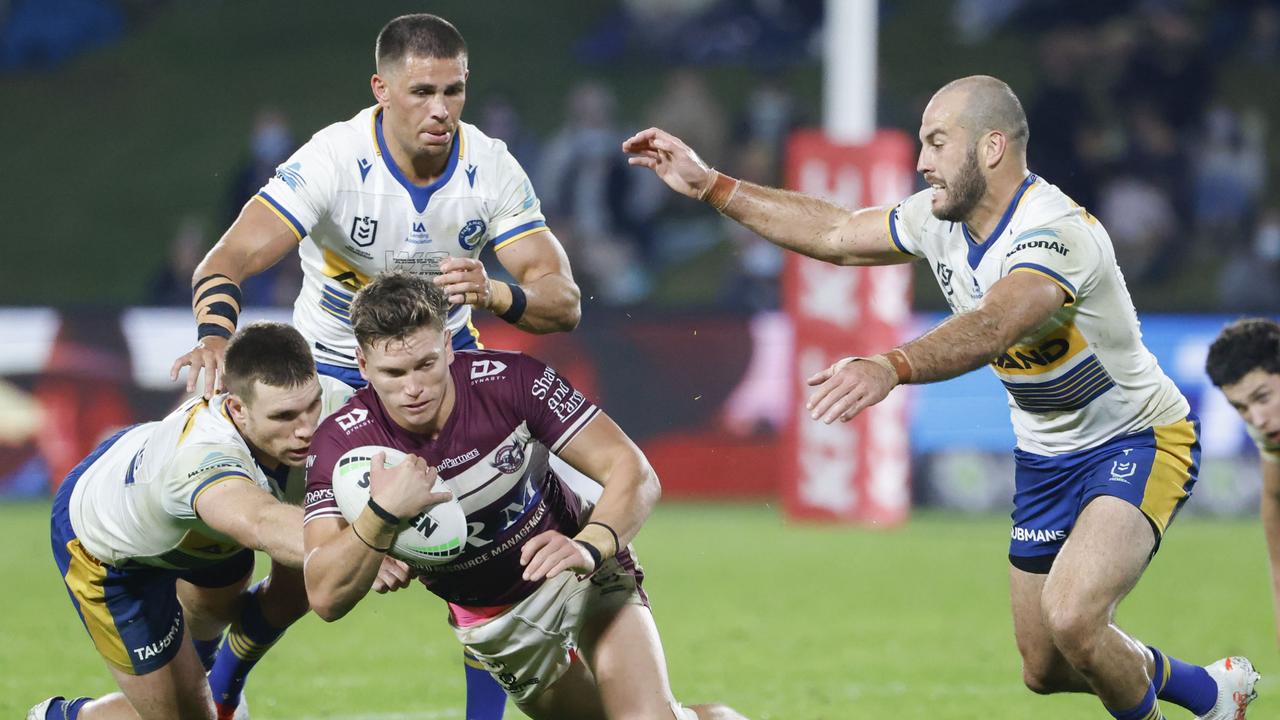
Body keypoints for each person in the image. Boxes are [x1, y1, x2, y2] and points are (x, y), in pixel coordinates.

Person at [624, 74, 1259, 720]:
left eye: (935, 143)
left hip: (1136, 439)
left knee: (1074, 617)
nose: (921, 162)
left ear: (990, 149)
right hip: (1046, 457)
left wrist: (893, 365)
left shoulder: (1054, 231)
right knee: (1046, 666)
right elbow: (838, 232)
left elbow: (994, 324)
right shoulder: (939, 222)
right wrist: (712, 186)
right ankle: (1211, 692)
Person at [168, 14, 581, 718]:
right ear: (380, 89)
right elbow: (226, 259)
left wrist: (498, 291)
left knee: (491, 542)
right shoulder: (333, 161)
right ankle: (223, 665)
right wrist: (214, 336)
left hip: (439, 374)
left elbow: (561, 300)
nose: (441, 110)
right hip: (328, 378)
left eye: (454, 91)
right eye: (422, 91)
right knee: (310, 566)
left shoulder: (490, 167)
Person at [301, 271, 747, 720]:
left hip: (578, 573)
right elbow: (324, 595)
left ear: (448, 346)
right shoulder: (341, 445)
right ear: (361, 364)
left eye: (426, 364)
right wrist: (377, 522)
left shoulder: (512, 381)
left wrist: (589, 545)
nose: (413, 387)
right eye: (392, 373)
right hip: (495, 624)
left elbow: (634, 471)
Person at [28, 322, 350, 720]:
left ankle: (217, 686)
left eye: (312, 405)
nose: (306, 429)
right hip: (105, 546)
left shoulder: (334, 403)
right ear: (237, 409)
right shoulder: (201, 458)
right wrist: (367, 539)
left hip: (185, 521)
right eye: (284, 416)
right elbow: (262, 521)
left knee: (297, 583)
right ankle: (63, 716)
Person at [1206, 318, 1280, 645]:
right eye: (1241, 407)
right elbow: (1274, 495)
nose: (1257, 419)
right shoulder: (1267, 426)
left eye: (1263, 397)